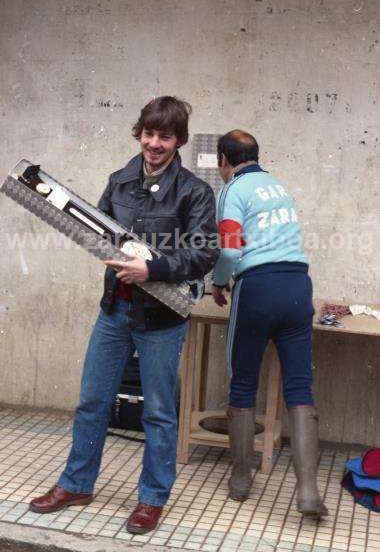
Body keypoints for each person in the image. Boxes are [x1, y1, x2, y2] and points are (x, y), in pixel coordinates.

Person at [29, 96, 219, 534]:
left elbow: (205, 252)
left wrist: (151, 268)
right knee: (92, 402)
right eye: (149, 134)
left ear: (179, 141)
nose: (154, 144)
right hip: (115, 311)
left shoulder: (195, 191)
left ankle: (152, 499)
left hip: (161, 321)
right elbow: (96, 229)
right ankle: (76, 484)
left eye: (165, 136)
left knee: (158, 412)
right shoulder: (118, 181)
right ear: (140, 133)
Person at [212, 129, 327, 518]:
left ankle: (242, 478)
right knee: (299, 385)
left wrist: (216, 281)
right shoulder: (278, 186)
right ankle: (308, 491)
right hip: (298, 286)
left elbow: (230, 248)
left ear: (224, 161)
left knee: (242, 382)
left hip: (257, 287)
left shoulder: (233, 189)